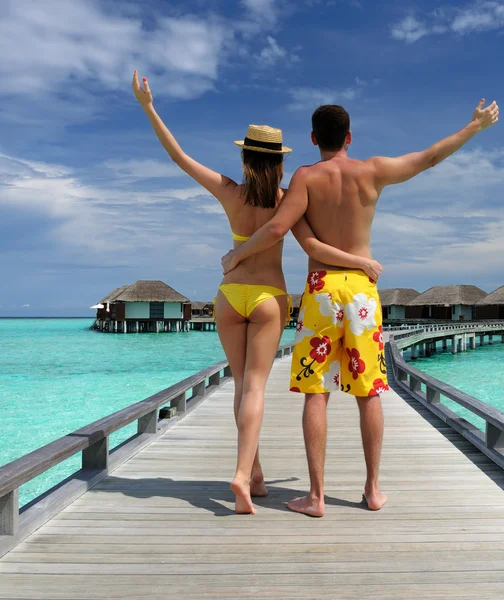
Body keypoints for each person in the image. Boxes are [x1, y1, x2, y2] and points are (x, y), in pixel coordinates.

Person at [221, 99, 500, 517]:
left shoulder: (305, 178)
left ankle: (316, 497)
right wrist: (473, 127)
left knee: (317, 393)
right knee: (369, 393)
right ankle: (372, 490)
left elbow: (279, 227)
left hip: (321, 290)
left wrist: (237, 257)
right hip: (363, 294)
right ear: (349, 137)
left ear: (314, 139)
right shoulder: (372, 172)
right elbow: (428, 158)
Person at [132, 72, 383, 514]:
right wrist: (361, 262)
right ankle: (245, 475)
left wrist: (149, 107)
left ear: (246, 158)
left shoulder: (229, 191)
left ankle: (256, 473)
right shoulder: (290, 197)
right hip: (270, 297)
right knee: (256, 389)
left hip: (229, 295)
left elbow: (179, 157)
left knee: (239, 385)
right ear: (280, 162)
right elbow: (307, 243)